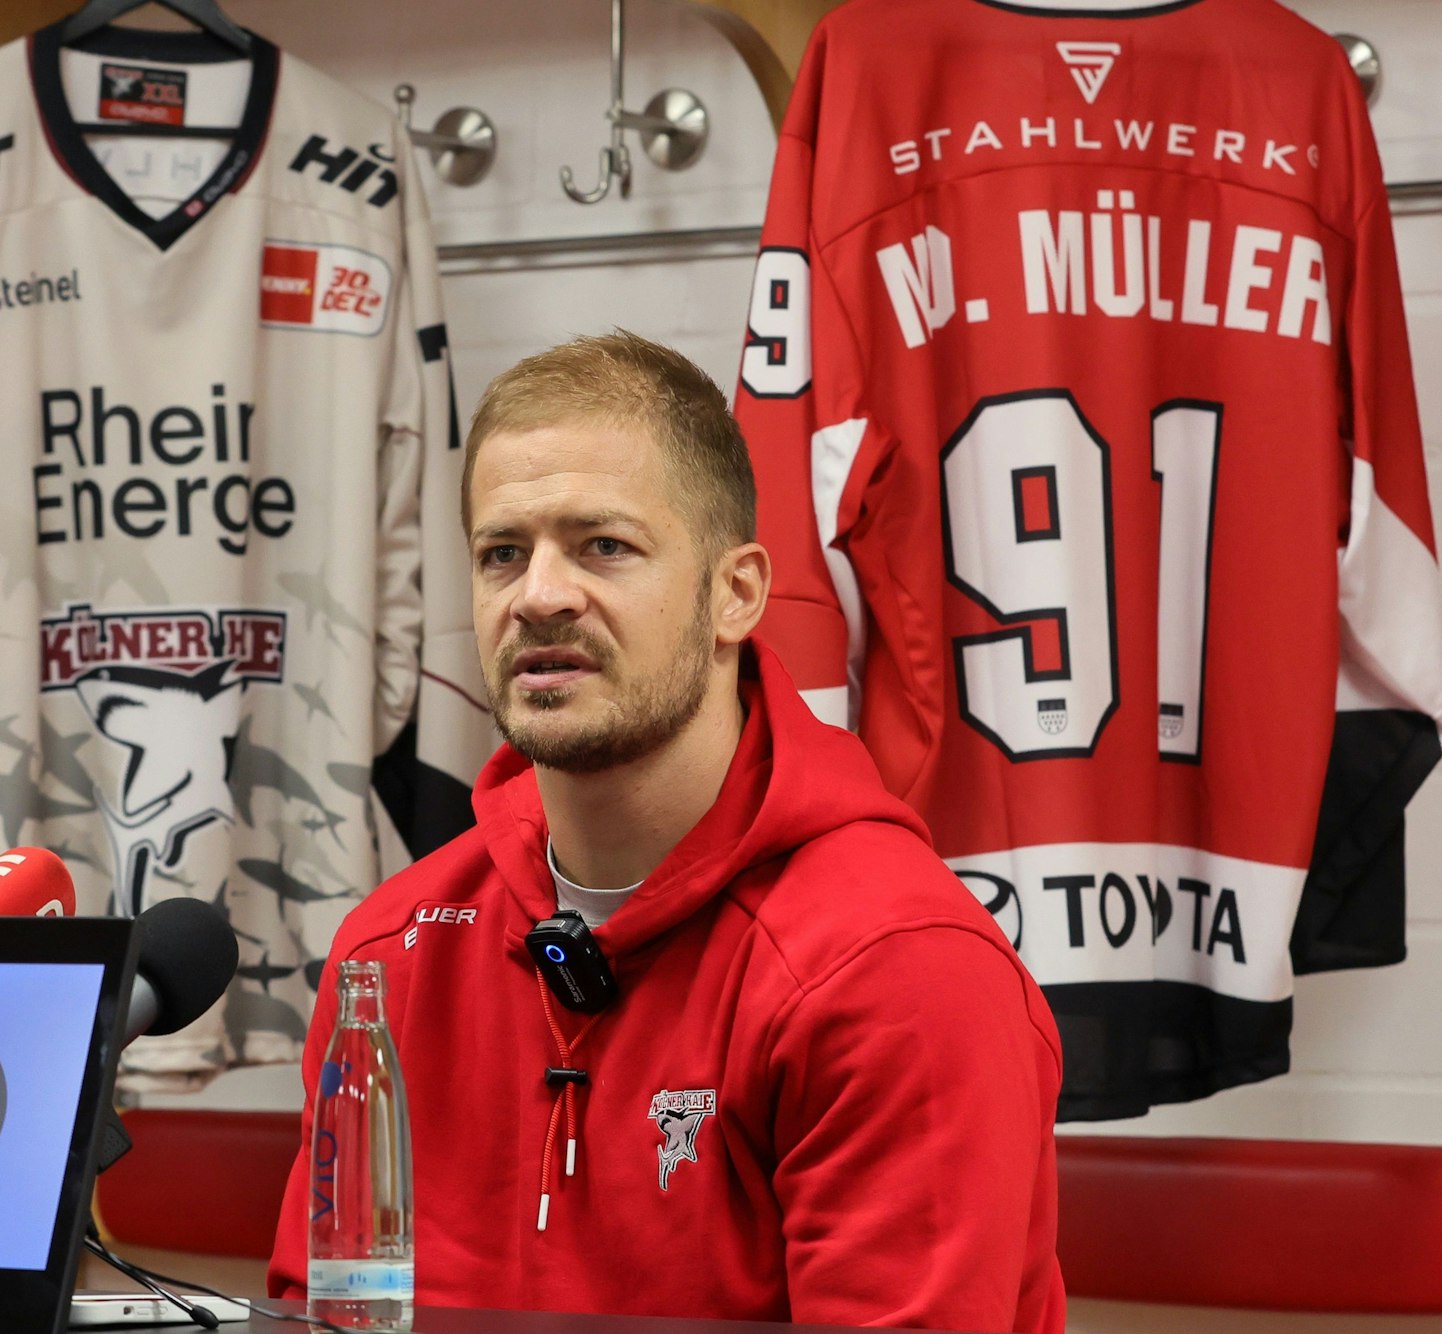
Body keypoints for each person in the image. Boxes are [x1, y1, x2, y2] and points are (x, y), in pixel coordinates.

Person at [268, 332, 1065, 1331]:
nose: (539, 594)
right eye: (501, 552)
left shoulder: (894, 968)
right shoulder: (390, 955)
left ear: (736, 593)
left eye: (602, 544)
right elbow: (316, 1311)